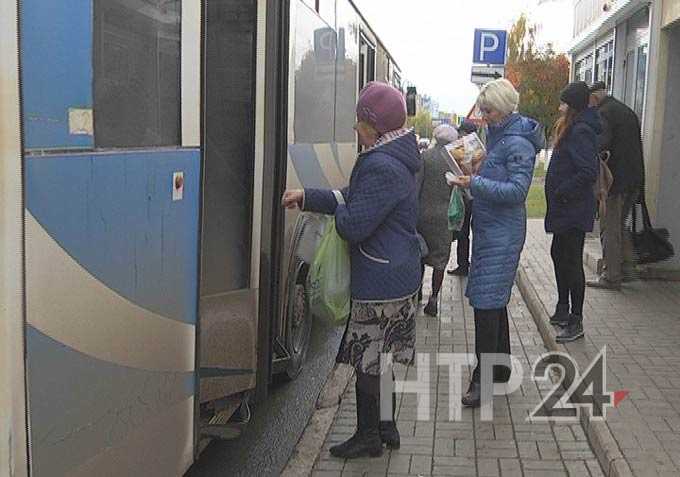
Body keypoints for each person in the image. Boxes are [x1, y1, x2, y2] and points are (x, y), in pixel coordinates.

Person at [282, 82, 421, 458]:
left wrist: (337, 214)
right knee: (384, 353)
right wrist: (309, 196)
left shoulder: (381, 164)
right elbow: (352, 195)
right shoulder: (394, 155)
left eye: (359, 120)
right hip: (399, 272)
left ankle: (367, 436)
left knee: (367, 357)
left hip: (380, 278)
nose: (355, 127)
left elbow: (353, 224)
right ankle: (386, 426)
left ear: (374, 125)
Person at [448, 79, 544, 407]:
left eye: (487, 110)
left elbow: (517, 193)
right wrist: (473, 175)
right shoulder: (500, 136)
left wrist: (475, 182)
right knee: (493, 300)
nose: (483, 116)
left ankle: (483, 380)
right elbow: (497, 180)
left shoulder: (517, 143)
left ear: (502, 108)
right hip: (492, 230)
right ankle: (499, 368)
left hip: (502, 233)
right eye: (482, 110)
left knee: (485, 304)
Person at [544, 82, 600, 342]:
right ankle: (563, 307)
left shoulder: (581, 131)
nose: (559, 107)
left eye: (564, 103)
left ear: (573, 106)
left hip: (572, 208)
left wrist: (563, 190)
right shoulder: (574, 127)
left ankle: (575, 320)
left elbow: (588, 171)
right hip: (566, 208)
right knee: (559, 254)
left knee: (572, 261)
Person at [587, 81, 645, 290]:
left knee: (609, 228)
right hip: (633, 179)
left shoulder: (604, 113)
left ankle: (611, 276)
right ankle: (628, 268)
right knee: (620, 224)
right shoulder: (626, 110)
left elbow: (601, 144)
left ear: (594, 97)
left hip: (615, 181)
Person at [416, 124, 459, 316]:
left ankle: (416, 293)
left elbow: (416, 186)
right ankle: (433, 299)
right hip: (444, 217)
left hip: (422, 215)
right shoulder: (455, 162)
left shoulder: (424, 157)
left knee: (419, 255)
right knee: (440, 260)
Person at [448, 119, 478, 276]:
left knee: (465, 232)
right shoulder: (465, 149)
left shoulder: (474, 150)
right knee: (464, 232)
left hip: (472, 196)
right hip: (470, 196)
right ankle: (464, 264)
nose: (459, 135)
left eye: (462, 132)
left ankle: (465, 265)